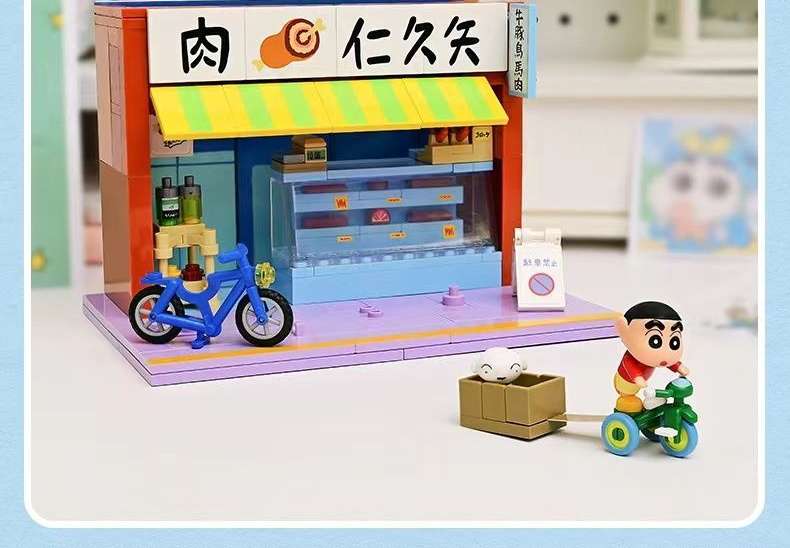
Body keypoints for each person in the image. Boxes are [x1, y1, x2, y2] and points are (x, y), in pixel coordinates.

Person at [613, 301, 689, 416]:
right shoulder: (630, 358)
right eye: (655, 340)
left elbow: (668, 361)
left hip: (641, 382)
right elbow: (629, 367)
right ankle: (627, 403)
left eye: (674, 342)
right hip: (626, 383)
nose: (665, 351)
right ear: (623, 331)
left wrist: (678, 366)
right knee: (630, 399)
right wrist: (637, 377)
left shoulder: (652, 358)